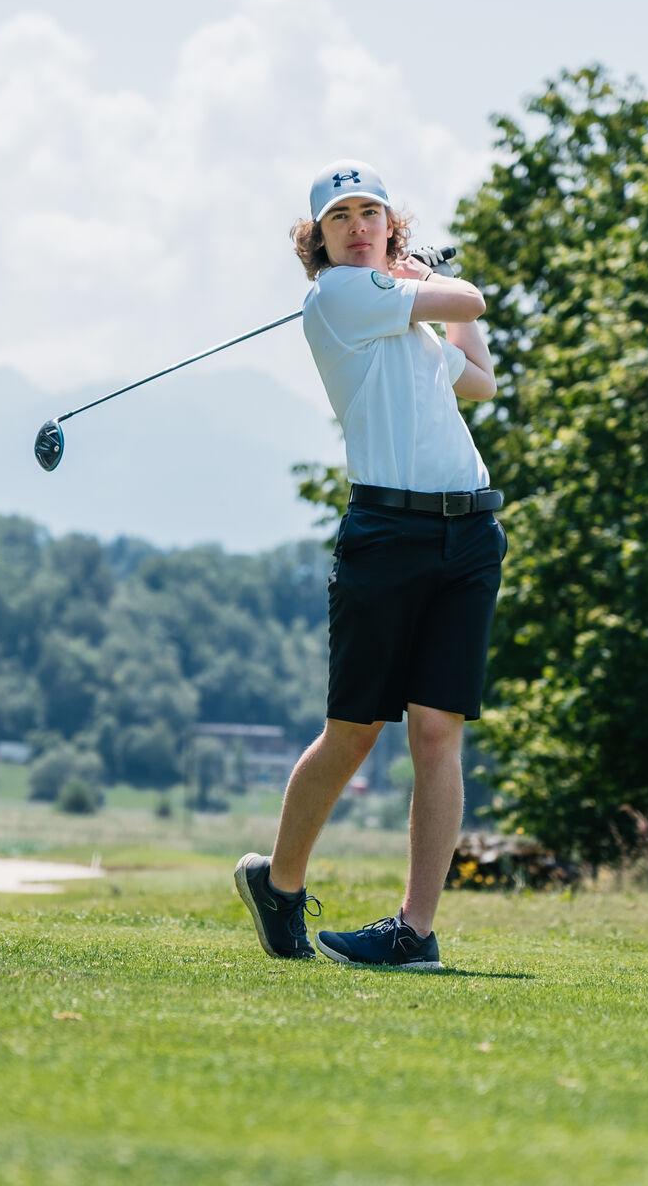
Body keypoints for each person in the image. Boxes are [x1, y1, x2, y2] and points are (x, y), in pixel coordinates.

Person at [234, 158, 507, 971]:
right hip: (387, 534)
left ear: (392, 227)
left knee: (437, 731)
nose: (357, 226)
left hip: (468, 536)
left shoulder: (405, 324)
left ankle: (414, 930)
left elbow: (481, 380)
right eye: (340, 218)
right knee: (354, 733)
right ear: (319, 240)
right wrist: (426, 278)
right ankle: (279, 884)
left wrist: (425, 288)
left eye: (372, 214)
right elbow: (473, 299)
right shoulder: (341, 298)